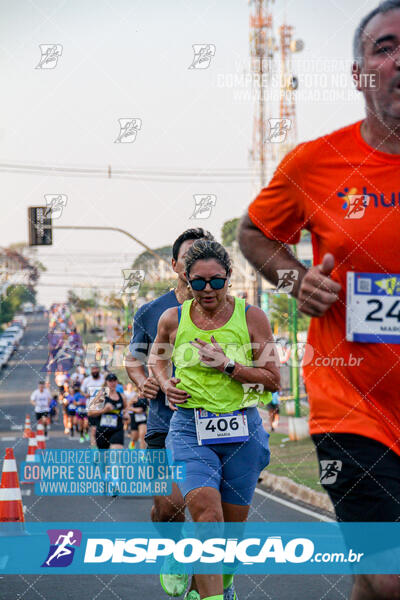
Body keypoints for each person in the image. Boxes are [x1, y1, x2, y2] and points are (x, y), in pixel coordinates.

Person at [238, 3, 400, 598]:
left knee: (375, 582)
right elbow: (254, 234)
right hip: (351, 403)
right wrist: (293, 279)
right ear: (360, 74)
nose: (399, 59)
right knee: (389, 575)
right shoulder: (315, 163)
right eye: (385, 47)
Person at [150, 239, 280, 600]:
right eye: (199, 282)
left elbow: (274, 379)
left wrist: (228, 366)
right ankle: (205, 592)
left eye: (217, 281)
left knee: (231, 534)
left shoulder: (252, 317)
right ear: (186, 280)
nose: (209, 289)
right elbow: (157, 359)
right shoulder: (172, 319)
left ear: (229, 277)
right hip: (190, 428)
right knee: (208, 518)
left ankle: (219, 583)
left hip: (242, 430)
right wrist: (165, 382)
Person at [125, 228, 214, 598]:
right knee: (171, 506)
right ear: (175, 264)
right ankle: (173, 550)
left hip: (214, 425)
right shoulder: (151, 311)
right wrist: (145, 380)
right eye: (190, 257)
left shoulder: (228, 307)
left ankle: (204, 589)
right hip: (164, 423)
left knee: (209, 512)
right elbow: (134, 359)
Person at [88, 373, 129, 450]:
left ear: (117, 382)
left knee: (116, 453)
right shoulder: (101, 395)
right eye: (110, 381)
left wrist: (126, 415)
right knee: (104, 458)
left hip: (117, 429)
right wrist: (104, 410)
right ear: (106, 382)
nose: (112, 383)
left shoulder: (122, 396)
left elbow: (126, 409)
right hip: (102, 430)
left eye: (114, 381)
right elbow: (90, 413)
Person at [81, 364, 105, 447]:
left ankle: (102, 449)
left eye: (96, 369)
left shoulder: (103, 378)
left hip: (103, 408)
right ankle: (95, 451)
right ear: (91, 371)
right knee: (94, 430)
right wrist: (85, 394)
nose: (94, 371)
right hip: (91, 409)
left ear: (99, 370)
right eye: (93, 369)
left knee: (102, 431)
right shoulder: (87, 380)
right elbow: (81, 390)